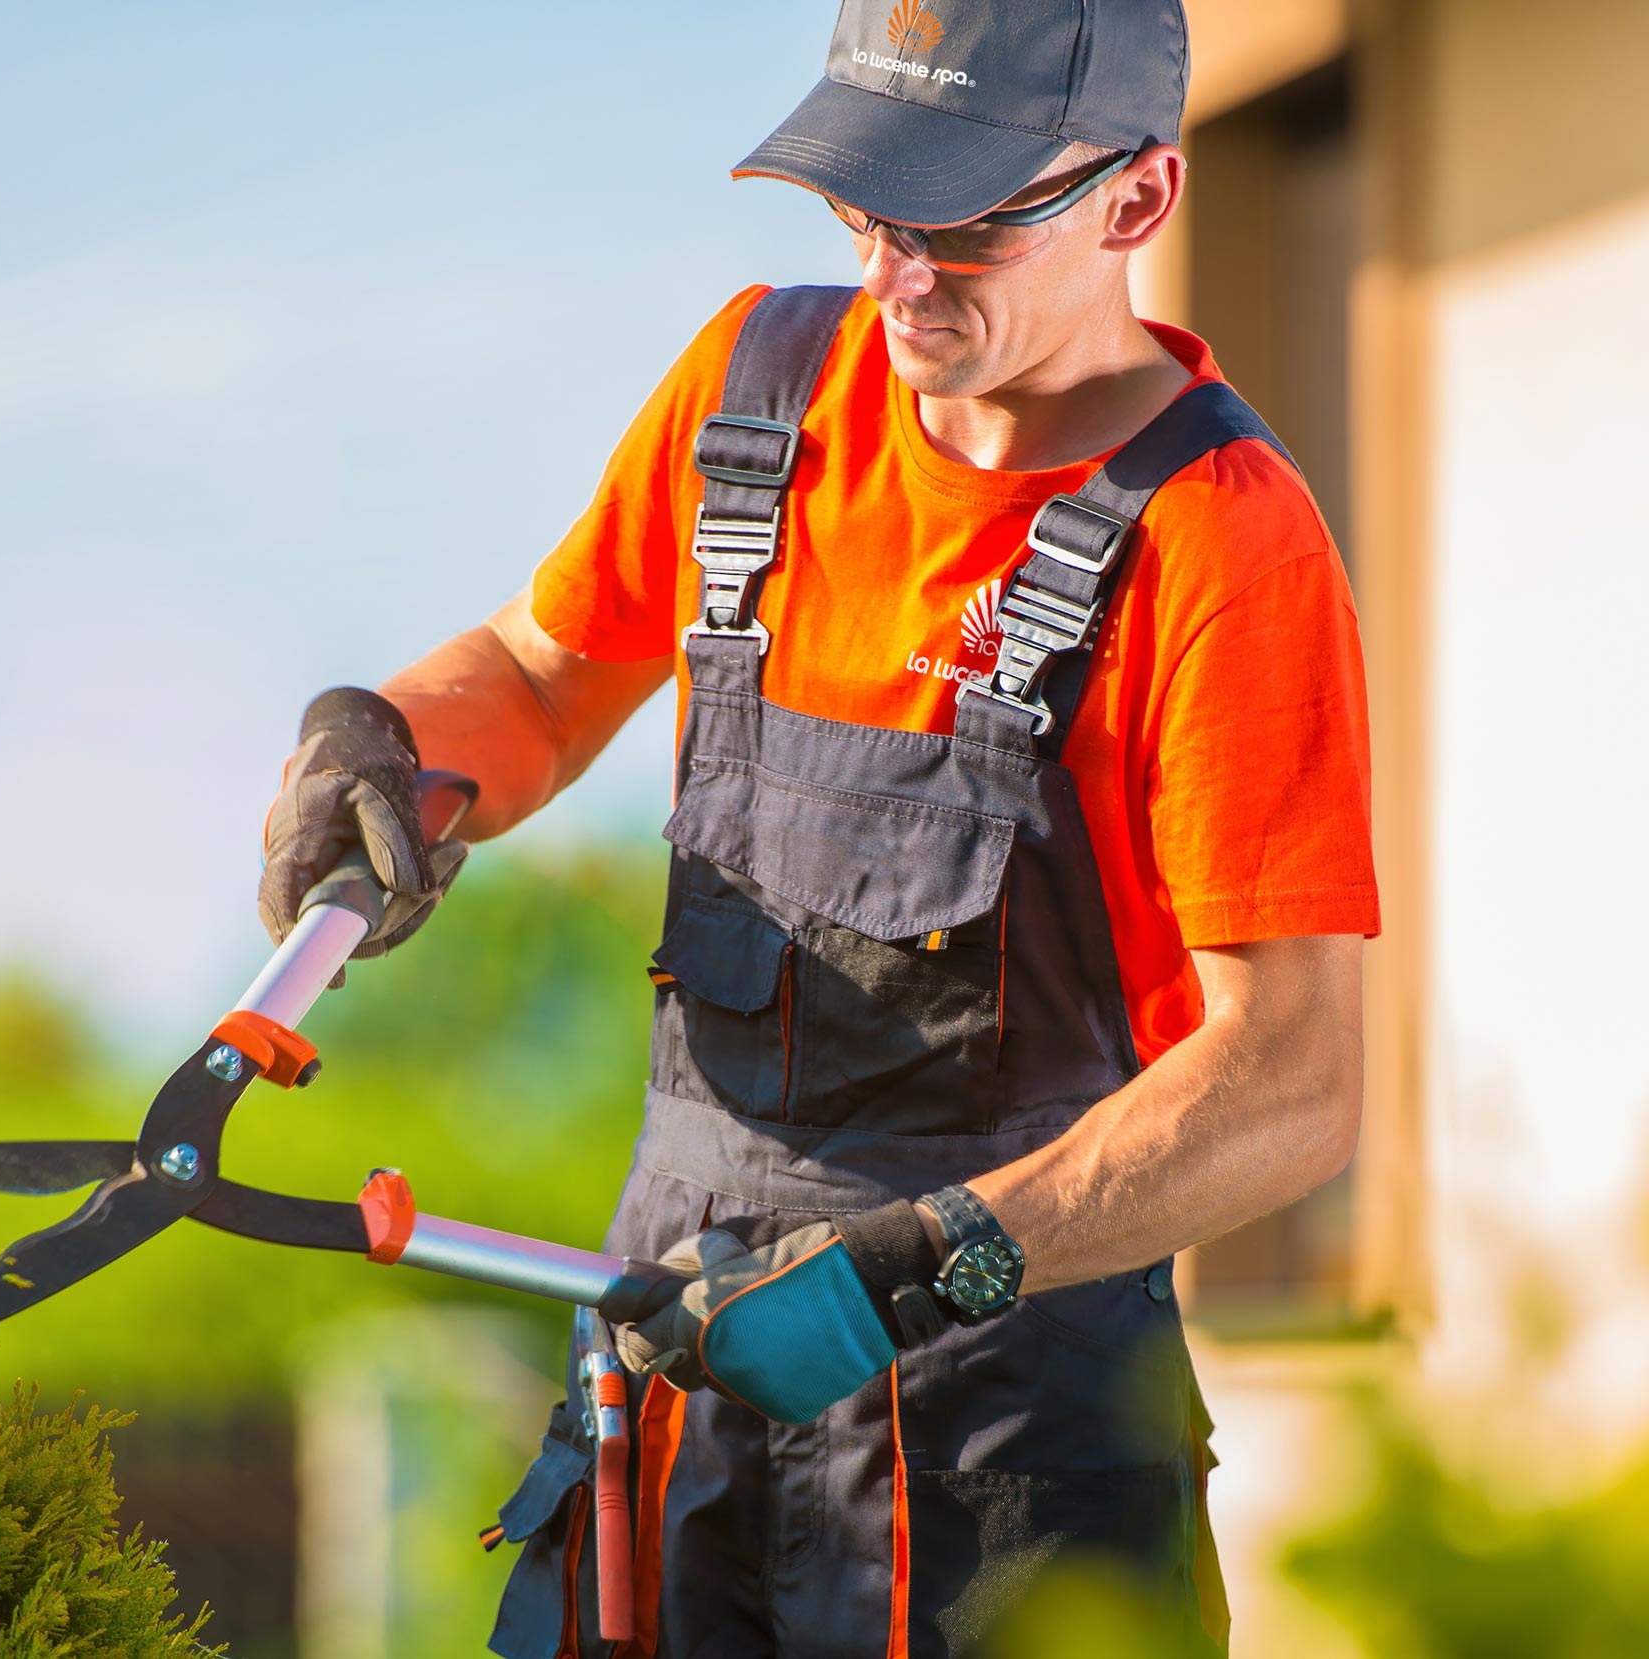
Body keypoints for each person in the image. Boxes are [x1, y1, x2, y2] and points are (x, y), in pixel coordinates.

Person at [257, 1, 1377, 1653]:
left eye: (968, 224)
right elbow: (544, 678)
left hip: (1007, 1449)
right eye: (866, 213)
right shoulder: (758, 394)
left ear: (1137, 202)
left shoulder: (1222, 548)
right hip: (675, 1370)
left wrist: (930, 1266)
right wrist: (388, 747)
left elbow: (1292, 1078)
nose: (898, 280)